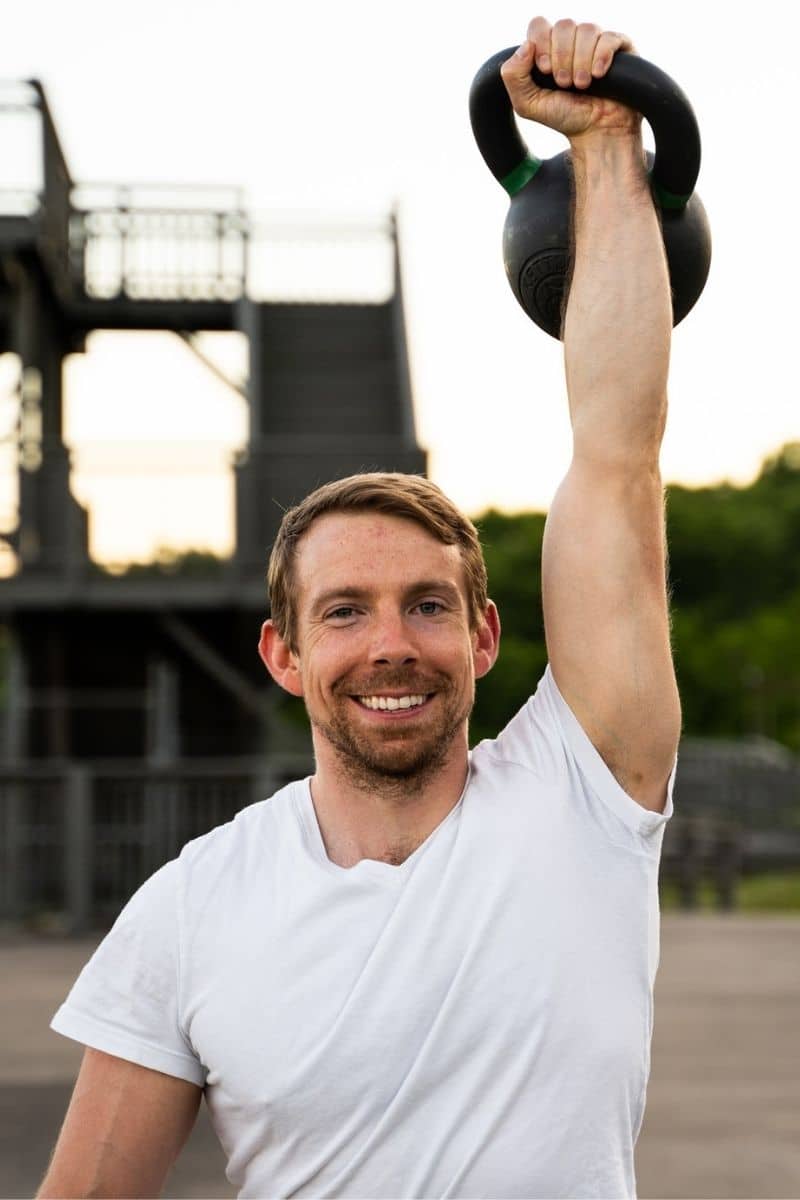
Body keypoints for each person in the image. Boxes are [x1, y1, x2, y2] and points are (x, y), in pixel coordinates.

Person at [40, 17, 680, 1199]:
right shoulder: (191, 908)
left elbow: (614, 455)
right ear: (282, 653)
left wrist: (601, 144)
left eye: (427, 605)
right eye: (344, 613)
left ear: (482, 636)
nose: (391, 644)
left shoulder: (582, 799)